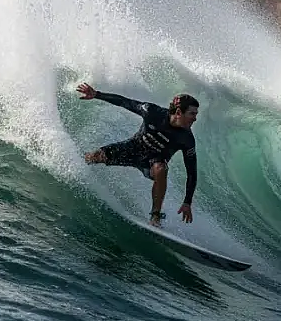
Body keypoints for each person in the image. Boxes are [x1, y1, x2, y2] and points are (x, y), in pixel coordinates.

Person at [77, 82, 199, 227]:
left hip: (152, 163)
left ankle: (155, 216)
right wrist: (97, 94)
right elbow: (125, 102)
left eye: (196, 114)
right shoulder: (152, 112)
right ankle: (74, 163)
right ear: (178, 112)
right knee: (94, 156)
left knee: (161, 168)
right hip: (133, 148)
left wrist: (187, 202)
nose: (195, 118)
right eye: (192, 114)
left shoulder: (187, 139)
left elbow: (192, 173)